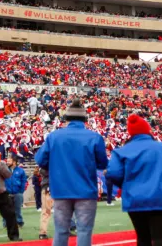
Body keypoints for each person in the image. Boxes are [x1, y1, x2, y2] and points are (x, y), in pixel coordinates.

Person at [35, 99, 108, 246]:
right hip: (86, 190)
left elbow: (41, 160)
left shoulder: (54, 136)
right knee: (84, 231)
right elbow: (103, 163)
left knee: (61, 231)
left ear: (66, 119)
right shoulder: (94, 137)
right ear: (84, 120)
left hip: (61, 190)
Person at [106, 114, 162, 245]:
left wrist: (127, 185)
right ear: (147, 130)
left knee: (142, 238)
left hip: (135, 198)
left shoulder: (121, 151)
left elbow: (113, 173)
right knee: (160, 238)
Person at [3, 155, 27, 229]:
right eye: (7, 161)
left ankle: (19, 222)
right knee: (6, 210)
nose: (7, 162)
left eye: (9, 161)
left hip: (18, 193)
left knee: (17, 209)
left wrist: (21, 191)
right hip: (7, 193)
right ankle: (6, 224)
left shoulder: (21, 171)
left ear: (14, 162)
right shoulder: (4, 170)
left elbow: (24, 181)